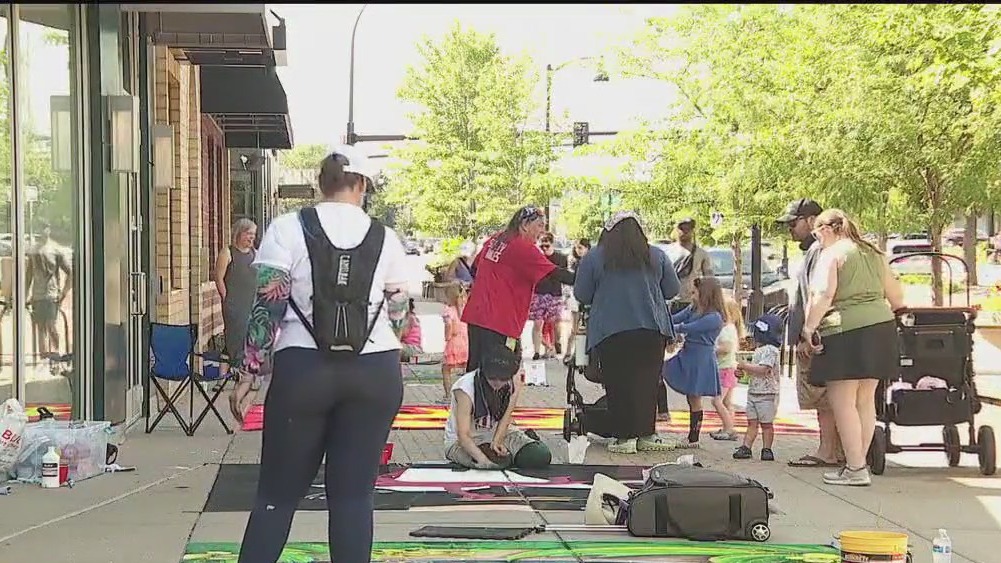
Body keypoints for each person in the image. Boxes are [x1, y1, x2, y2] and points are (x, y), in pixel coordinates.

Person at [227, 145, 409, 563]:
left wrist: (249, 374)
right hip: (374, 370)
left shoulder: (287, 228)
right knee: (353, 497)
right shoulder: (386, 237)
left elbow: (269, 304)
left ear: (319, 185)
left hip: (304, 368)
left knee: (276, 494)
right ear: (361, 185)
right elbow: (400, 315)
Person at [802, 208, 904, 487]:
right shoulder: (874, 252)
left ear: (826, 229)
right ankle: (857, 465)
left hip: (845, 329)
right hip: (880, 327)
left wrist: (809, 328)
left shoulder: (832, 254)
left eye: (817, 233)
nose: (818, 240)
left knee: (842, 400)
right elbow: (896, 295)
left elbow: (822, 294)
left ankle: (856, 467)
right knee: (865, 399)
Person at [574, 211, 680, 454]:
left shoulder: (595, 258)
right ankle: (647, 433)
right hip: (651, 329)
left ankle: (624, 437)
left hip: (611, 330)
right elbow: (671, 289)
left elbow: (582, 294)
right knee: (647, 383)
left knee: (618, 383)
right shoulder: (657, 256)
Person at [462, 205, 574, 371]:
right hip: (500, 321)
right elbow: (559, 275)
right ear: (524, 225)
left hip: (477, 315)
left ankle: (470, 398)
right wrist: (593, 278)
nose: (541, 231)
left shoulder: (496, 239)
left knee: (475, 370)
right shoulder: (523, 248)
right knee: (501, 373)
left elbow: (474, 268)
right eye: (539, 225)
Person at [778, 198, 846, 469]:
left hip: (819, 335)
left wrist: (809, 333)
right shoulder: (819, 250)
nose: (790, 231)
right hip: (822, 332)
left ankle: (827, 450)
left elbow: (820, 294)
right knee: (829, 396)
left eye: (793, 224)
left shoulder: (821, 251)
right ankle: (836, 450)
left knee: (822, 396)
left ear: (810, 220)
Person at [444, 343, 552, 469]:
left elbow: (506, 415)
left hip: (496, 432)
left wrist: (497, 440)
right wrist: (483, 461)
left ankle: (512, 453)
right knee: (494, 462)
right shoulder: (465, 388)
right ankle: (507, 457)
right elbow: (463, 435)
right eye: (493, 378)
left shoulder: (513, 381)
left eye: (502, 379)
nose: (497, 383)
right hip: (463, 441)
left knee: (539, 455)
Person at [663, 276, 726, 449]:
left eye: (695, 292)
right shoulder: (694, 309)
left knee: (694, 397)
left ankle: (694, 438)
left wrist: (667, 325)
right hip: (689, 353)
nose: (692, 295)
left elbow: (687, 327)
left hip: (700, 358)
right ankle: (692, 437)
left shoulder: (714, 317)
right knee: (691, 396)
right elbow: (675, 318)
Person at [733, 314, 784, 461]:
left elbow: (763, 370)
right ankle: (746, 446)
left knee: (766, 424)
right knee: (752, 422)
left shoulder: (770, 350)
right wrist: (742, 373)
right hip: (754, 392)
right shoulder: (758, 351)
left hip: (767, 394)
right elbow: (755, 373)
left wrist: (745, 366)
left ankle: (767, 448)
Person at [214, 218, 258, 368]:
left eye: (254, 234)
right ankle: (238, 375)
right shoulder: (227, 253)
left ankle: (227, 377)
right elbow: (218, 278)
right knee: (235, 339)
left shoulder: (255, 254)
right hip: (234, 306)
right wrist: (226, 298)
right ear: (239, 234)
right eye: (249, 234)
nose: (252, 237)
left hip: (251, 305)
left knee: (248, 340)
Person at [26, 223, 72, 357]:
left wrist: (64, 292)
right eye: (41, 227)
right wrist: (25, 295)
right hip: (38, 295)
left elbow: (70, 272)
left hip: (52, 295)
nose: (43, 231)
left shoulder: (56, 250)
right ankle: (43, 356)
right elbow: (29, 275)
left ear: (49, 230)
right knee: (40, 327)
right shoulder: (33, 251)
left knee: (51, 325)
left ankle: (56, 352)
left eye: (46, 227)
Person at [709, 297, 744, 441]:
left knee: (716, 401)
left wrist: (712, 349)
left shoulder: (727, 330)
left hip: (725, 370)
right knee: (727, 402)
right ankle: (728, 426)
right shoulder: (729, 329)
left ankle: (729, 428)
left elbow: (726, 347)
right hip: (728, 369)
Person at [530, 233, 569, 360]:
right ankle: (536, 351)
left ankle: (554, 344)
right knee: (537, 323)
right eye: (542, 246)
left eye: (547, 246)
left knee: (554, 323)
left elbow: (563, 275)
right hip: (539, 292)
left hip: (554, 293)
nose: (544, 249)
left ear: (552, 244)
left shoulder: (561, 258)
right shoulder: (536, 257)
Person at [666, 218, 714, 314]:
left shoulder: (701, 253)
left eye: (688, 229)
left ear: (692, 231)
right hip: (671, 302)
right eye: (682, 228)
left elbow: (709, 279)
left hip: (692, 303)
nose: (684, 232)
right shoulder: (668, 252)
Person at [440, 283, 469, 404]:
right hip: (465, 341)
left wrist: (447, 337)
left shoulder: (448, 310)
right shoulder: (465, 309)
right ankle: (467, 394)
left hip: (454, 341)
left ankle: (448, 396)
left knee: (446, 369)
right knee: (466, 369)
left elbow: (449, 325)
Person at [564, 238, 591, 362]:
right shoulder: (575, 263)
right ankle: (569, 352)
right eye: (577, 248)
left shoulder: (590, 262)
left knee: (584, 328)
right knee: (575, 327)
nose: (578, 250)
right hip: (575, 296)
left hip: (587, 298)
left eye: (581, 248)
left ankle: (579, 354)